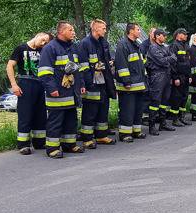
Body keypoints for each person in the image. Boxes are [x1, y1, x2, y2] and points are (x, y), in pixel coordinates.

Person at [38, 22, 86, 158]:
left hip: (72, 93)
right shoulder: (50, 48)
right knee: (55, 121)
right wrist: (52, 88)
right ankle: (52, 148)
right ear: (61, 32)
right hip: (57, 93)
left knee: (71, 119)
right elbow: (44, 72)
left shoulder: (74, 48)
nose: (73, 32)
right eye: (70, 30)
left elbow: (79, 69)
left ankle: (69, 145)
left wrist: (81, 84)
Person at [7, 32, 51, 154]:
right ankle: (23, 144)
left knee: (41, 114)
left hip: (41, 84)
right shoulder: (21, 48)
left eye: (46, 43)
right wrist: (14, 85)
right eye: (43, 40)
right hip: (26, 83)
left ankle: (39, 142)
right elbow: (10, 66)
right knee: (25, 114)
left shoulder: (43, 51)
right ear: (38, 35)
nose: (43, 43)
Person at [76, 19, 116, 149]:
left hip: (104, 82)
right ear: (95, 29)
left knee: (103, 110)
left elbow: (106, 61)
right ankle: (87, 139)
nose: (105, 30)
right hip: (92, 84)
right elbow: (83, 66)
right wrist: (88, 84)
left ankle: (101, 136)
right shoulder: (84, 44)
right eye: (103, 28)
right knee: (90, 112)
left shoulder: (104, 43)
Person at [114, 22, 148, 142]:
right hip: (128, 86)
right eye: (138, 29)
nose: (140, 31)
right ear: (131, 31)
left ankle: (136, 131)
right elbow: (122, 65)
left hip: (138, 84)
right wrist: (126, 81)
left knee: (138, 109)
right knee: (127, 110)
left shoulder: (136, 45)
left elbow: (140, 65)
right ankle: (124, 134)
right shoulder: (123, 45)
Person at [146, 28, 177, 136]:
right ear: (158, 36)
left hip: (167, 76)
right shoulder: (153, 47)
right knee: (155, 101)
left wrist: (169, 58)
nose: (165, 37)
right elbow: (162, 61)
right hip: (157, 76)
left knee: (165, 100)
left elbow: (174, 58)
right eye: (164, 35)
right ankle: (152, 125)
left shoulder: (165, 47)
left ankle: (163, 123)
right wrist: (170, 58)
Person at [168, 28, 192, 127]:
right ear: (178, 35)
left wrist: (190, 75)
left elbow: (188, 62)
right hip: (178, 76)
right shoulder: (174, 46)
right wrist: (175, 77)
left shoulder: (186, 46)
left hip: (186, 76)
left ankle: (182, 117)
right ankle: (175, 119)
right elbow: (172, 63)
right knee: (176, 98)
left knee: (184, 98)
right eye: (184, 34)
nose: (186, 36)